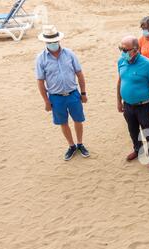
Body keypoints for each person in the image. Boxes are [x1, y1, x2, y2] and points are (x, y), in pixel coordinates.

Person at [36, 25, 90, 161]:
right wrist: (46, 101)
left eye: (54, 41)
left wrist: (83, 93)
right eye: (49, 42)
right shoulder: (41, 59)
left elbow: (79, 74)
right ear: (45, 42)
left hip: (73, 94)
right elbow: (40, 82)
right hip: (56, 97)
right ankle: (71, 146)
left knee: (78, 120)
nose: (53, 44)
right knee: (63, 122)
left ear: (59, 40)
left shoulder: (70, 54)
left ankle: (80, 143)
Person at [117, 35, 149, 173]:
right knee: (132, 130)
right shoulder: (121, 61)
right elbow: (120, 82)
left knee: (147, 131)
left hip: (144, 105)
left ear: (135, 50)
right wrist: (118, 101)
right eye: (120, 48)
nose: (122, 52)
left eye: (125, 49)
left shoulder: (147, 64)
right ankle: (138, 149)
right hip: (128, 105)